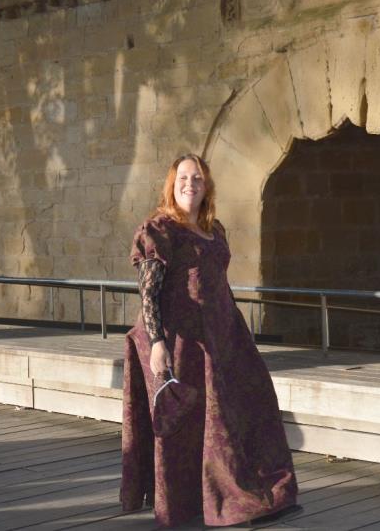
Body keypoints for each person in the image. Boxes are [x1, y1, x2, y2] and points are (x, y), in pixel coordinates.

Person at [120, 154, 298, 527]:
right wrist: (157, 342)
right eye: (183, 178)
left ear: (207, 187)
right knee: (190, 426)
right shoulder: (159, 230)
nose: (190, 184)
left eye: (197, 178)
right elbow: (149, 292)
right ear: (172, 185)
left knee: (253, 402)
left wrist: (235, 332)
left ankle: (253, 493)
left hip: (223, 336)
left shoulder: (214, 229)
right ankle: (195, 506)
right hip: (181, 342)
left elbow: (218, 285)